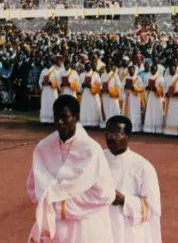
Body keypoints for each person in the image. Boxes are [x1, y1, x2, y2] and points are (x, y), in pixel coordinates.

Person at [26, 95, 115, 243]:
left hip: (84, 226)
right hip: (52, 222)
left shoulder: (91, 150)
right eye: (56, 117)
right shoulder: (43, 147)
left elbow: (105, 194)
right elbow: (32, 185)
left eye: (64, 117)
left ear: (76, 117)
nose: (59, 122)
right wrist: (50, 203)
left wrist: (62, 205)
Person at [104, 115, 162, 242]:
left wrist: (124, 200)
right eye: (108, 133)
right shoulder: (97, 160)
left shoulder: (142, 167)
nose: (111, 137)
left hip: (127, 231)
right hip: (101, 226)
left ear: (129, 136)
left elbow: (152, 208)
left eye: (117, 133)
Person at [163, 63, 178, 136]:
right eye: (170, 69)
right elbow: (164, 90)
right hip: (170, 101)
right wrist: (167, 93)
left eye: (173, 69)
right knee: (170, 116)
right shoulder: (166, 79)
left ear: (176, 69)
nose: (172, 70)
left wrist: (177, 93)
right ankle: (170, 131)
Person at [142, 64, 165, 135]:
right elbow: (144, 86)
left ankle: (158, 129)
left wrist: (157, 89)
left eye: (154, 69)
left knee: (157, 111)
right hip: (150, 96)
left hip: (157, 97)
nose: (153, 71)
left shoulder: (160, 78)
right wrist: (147, 88)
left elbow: (163, 89)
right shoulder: (147, 76)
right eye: (151, 70)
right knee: (150, 111)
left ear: (157, 69)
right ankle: (149, 128)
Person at [79, 62, 102, 128]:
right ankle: (85, 123)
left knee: (93, 107)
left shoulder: (95, 74)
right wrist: (82, 85)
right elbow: (79, 85)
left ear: (91, 67)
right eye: (86, 66)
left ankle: (94, 124)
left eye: (88, 66)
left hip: (93, 94)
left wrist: (91, 86)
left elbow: (99, 85)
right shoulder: (82, 75)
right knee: (85, 107)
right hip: (85, 94)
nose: (87, 68)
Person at [122, 65, 144, 132]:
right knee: (128, 112)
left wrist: (134, 88)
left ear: (134, 70)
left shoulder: (138, 78)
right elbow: (121, 87)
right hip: (128, 97)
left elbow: (142, 88)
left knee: (135, 112)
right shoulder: (126, 78)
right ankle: (128, 127)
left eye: (132, 70)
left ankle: (136, 128)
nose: (131, 71)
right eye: (130, 70)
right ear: (128, 71)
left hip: (135, 98)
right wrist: (125, 87)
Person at [100, 62, 121, 129]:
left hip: (112, 96)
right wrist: (102, 89)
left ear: (112, 68)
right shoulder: (103, 75)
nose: (108, 68)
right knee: (106, 109)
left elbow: (118, 86)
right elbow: (101, 85)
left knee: (114, 110)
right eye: (107, 67)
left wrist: (110, 90)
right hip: (105, 96)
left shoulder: (115, 75)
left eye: (109, 67)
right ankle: (107, 124)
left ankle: (114, 125)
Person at [38, 58, 60, 124]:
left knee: (52, 104)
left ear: (52, 63)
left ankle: (52, 120)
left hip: (52, 91)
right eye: (47, 62)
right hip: (45, 90)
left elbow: (59, 82)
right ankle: (45, 120)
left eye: (49, 62)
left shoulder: (56, 71)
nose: (48, 63)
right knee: (45, 104)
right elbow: (40, 80)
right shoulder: (43, 71)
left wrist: (52, 83)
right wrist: (42, 83)